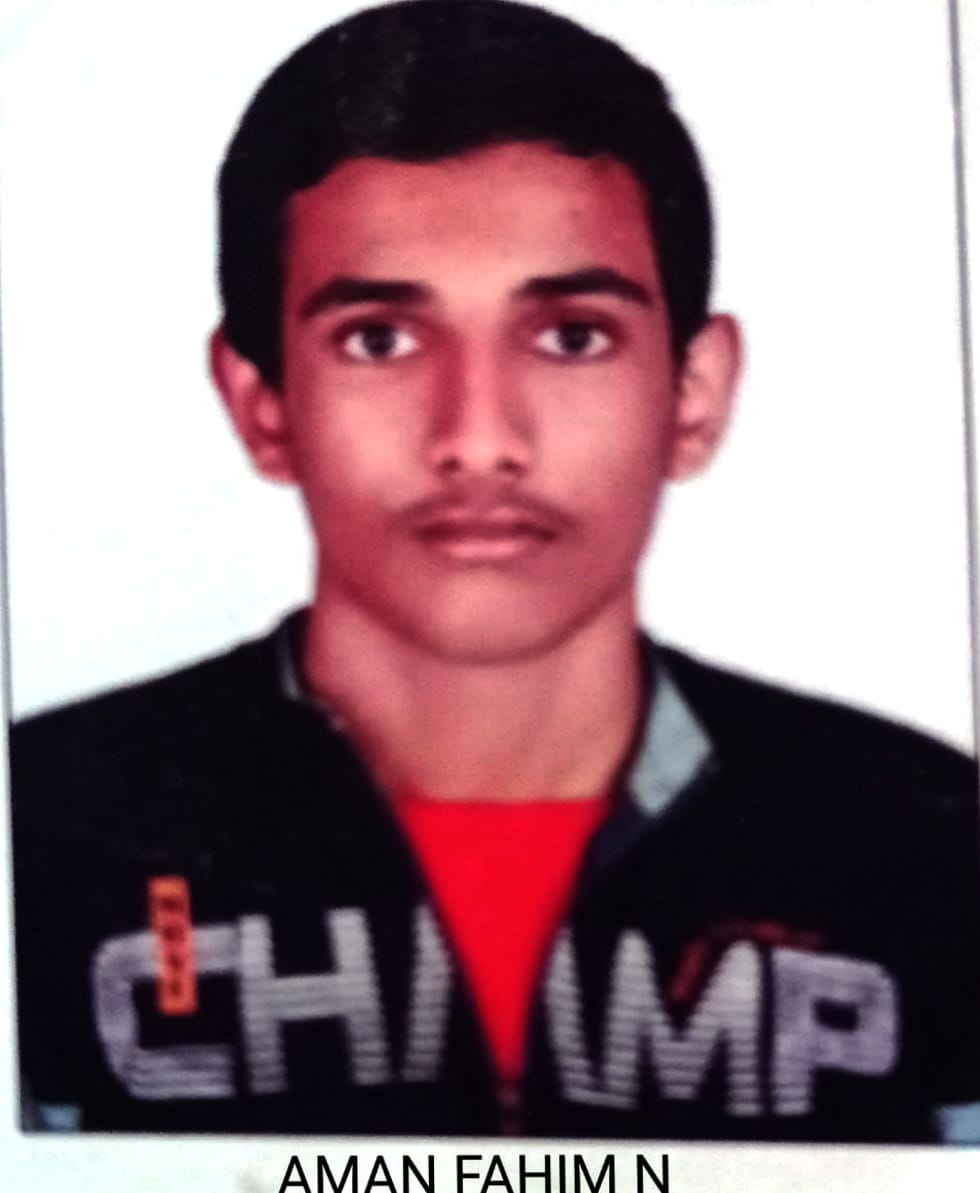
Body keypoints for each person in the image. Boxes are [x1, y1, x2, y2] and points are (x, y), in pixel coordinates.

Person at [10, 0, 980, 1141]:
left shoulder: (921, 842)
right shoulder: (48, 829)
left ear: (693, 392)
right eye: (380, 338)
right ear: (261, 402)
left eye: (571, 335)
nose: (477, 438)